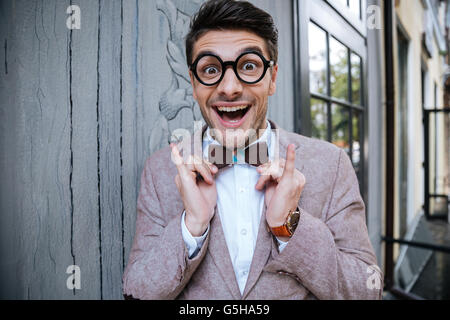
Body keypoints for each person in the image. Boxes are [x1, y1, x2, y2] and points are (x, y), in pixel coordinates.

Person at [122, 0, 382, 300]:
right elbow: (136, 293)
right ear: (194, 84)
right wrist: (191, 227)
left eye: (248, 66)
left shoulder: (331, 164)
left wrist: (289, 227)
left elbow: (367, 290)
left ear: (271, 78)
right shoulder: (160, 170)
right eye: (210, 69)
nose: (229, 87)